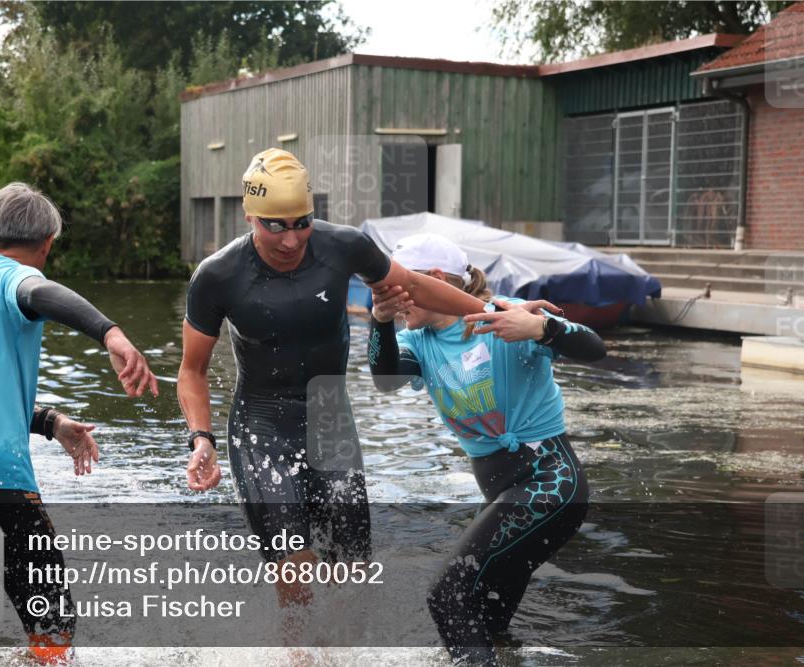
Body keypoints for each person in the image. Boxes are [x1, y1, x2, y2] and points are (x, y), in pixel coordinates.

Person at [178, 148, 559, 618]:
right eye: (274, 225)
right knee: (294, 561)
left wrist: (496, 312)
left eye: (302, 222)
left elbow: (414, 285)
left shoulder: (344, 246)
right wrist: (201, 438)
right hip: (262, 428)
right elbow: (192, 370)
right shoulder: (217, 275)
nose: (291, 238)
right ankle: (299, 653)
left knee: (351, 567)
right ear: (249, 214)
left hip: (330, 421)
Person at [0, 182, 158, 663]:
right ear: (47, 245)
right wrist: (112, 334)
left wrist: (51, 422)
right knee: (52, 625)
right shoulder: (11, 278)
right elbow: (38, 291)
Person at [367, 233, 605, 665]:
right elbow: (384, 379)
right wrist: (379, 319)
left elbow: (595, 346)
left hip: (550, 484)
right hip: (508, 496)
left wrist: (543, 329)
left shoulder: (502, 316)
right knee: (485, 624)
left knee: (448, 597)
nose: (394, 299)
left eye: (397, 289)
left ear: (434, 280)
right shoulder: (419, 344)